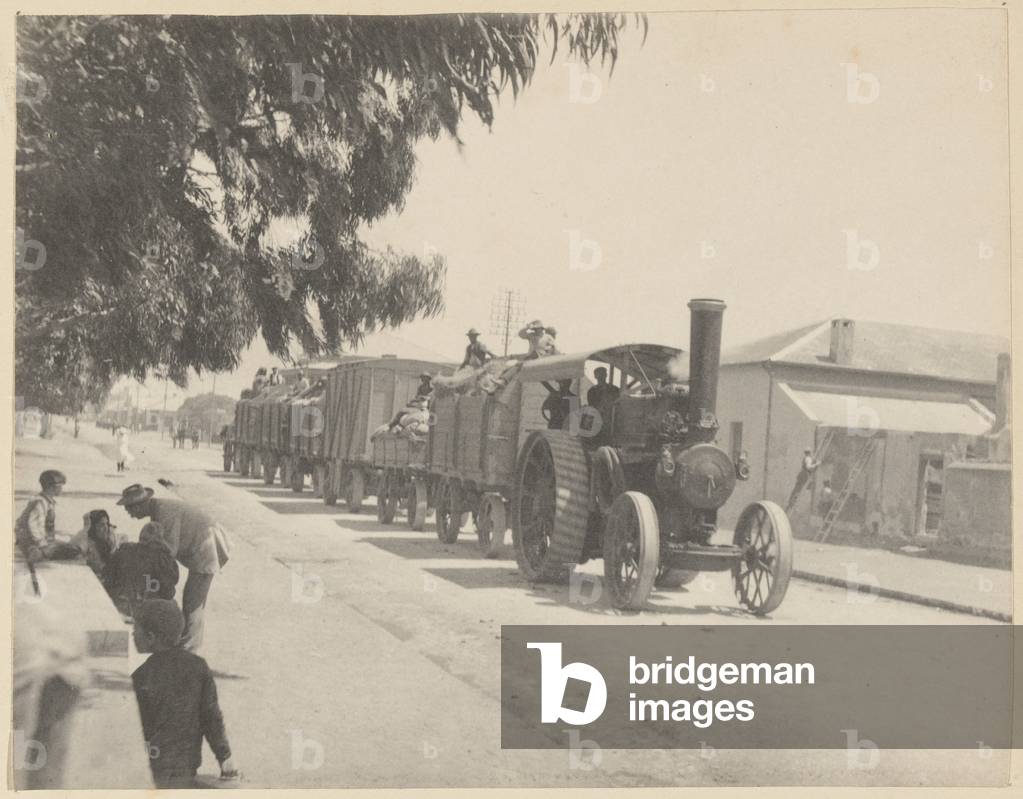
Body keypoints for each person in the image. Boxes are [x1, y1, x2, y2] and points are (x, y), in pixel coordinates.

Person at [131, 600, 238, 788]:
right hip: (187, 764)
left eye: (135, 629)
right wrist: (224, 756)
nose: (132, 634)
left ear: (150, 637)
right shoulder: (199, 666)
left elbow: (137, 728)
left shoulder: (141, 676)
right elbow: (211, 716)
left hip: (154, 767)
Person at [117, 485, 231, 651]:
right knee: (192, 600)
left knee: (193, 602)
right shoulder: (157, 511)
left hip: (207, 548)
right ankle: (186, 646)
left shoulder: (165, 513)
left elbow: (168, 551)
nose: (129, 513)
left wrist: (136, 550)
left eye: (129, 508)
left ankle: (189, 649)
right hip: (199, 547)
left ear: (140, 505)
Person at [103, 522, 179, 618]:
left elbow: (107, 575)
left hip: (118, 605)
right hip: (147, 611)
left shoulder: (124, 548)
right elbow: (168, 591)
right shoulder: (164, 558)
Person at [16, 470, 78, 562]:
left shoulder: (46, 501)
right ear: (52, 487)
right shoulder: (40, 502)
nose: (61, 489)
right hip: (32, 541)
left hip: (39, 540)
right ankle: (38, 552)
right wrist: (41, 542)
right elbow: (32, 525)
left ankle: (40, 551)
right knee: (72, 550)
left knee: (71, 547)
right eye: (60, 486)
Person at [70, 509, 127, 576]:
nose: (106, 528)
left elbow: (123, 538)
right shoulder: (85, 542)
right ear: (93, 528)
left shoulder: (110, 538)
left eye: (107, 524)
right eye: (101, 525)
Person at [786, 447, 821, 512]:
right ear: (810, 453)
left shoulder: (806, 458)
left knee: (797, 489)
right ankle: (792, 503)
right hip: (805, 474)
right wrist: (816, 464)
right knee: (799, 490)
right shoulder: (808, 458)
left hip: (803, 474)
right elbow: (808, 467)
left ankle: (791, 502)